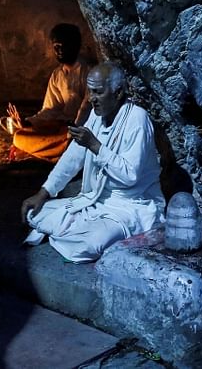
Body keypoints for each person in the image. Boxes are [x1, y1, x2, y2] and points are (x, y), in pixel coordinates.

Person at [19, 63, 164, 263]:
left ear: (118, 92)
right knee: (34, 212)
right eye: (90, 92)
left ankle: (64, 231)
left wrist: (95, 146)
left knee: (91, 244)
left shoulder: (137, 119)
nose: (92, 99)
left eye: (98, 92)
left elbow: (131, 176)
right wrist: (43, 193)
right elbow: (72, 158)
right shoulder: (96, 118)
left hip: (130, 207)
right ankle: (67, 231)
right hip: (95, 201)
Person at [6, 23, 92, 161]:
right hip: (61, 128)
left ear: (75, 46)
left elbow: (87, 109)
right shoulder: (57, 75)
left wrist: (74, 129)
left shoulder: (88, 71)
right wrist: (29, 122)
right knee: (19, 136)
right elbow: (50, 109)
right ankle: (57, 153)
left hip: (81, 129)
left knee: (73, 141)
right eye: (56, 47)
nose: (60, 51)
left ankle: (57, 153)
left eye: (64, 46)